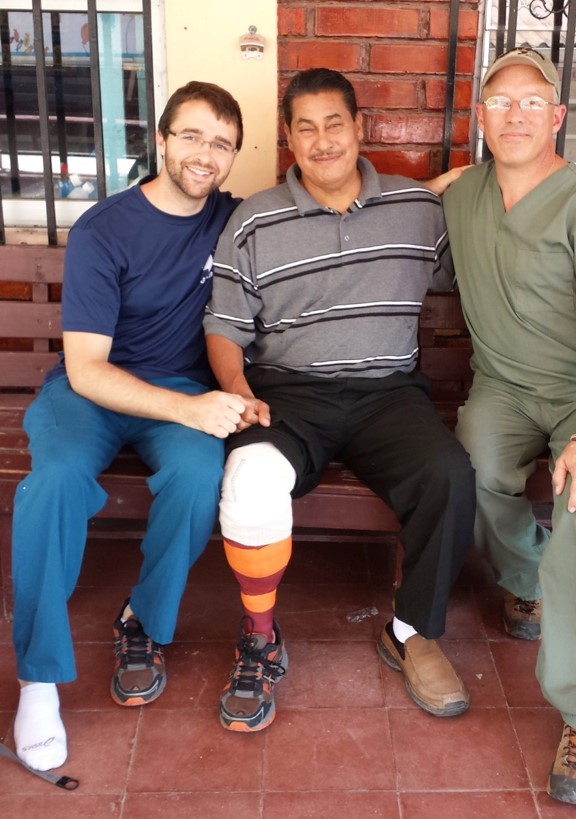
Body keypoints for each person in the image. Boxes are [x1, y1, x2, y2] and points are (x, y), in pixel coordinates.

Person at [203, 67, 476, 733]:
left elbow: (478, 257)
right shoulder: (253, 220)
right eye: (306, 128)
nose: (322, 140)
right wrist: (238, 392)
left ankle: (411, 633)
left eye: (335, 123)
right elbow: (224, 327)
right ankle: (259, 636)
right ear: (289, 138)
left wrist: (457, 186)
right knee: (249, 477)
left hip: (389, 394)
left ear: (360, 127)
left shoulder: (416, 210)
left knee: (448, 474)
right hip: (289, 394)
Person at [11, 81, 250, 772]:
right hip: (90, 391)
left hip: (179, 390)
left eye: (222, 143)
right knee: (53, 483)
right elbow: (87, 368)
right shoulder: (104, 228)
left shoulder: (233, 220)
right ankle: (37, 679)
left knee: (198, 474)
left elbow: (322, 201)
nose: (205, 154)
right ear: (163, 139)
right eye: (192, 136)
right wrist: (191, 409)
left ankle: (141, 619)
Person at [441, 48, 576, 806]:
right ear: (481, 117)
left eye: (532, 102)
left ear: (557, 115)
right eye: (500, 102)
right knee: (468, 470)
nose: (516, 114)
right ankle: (527, 582)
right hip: (502, 388)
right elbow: (416, 197)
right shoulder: (464, 192)